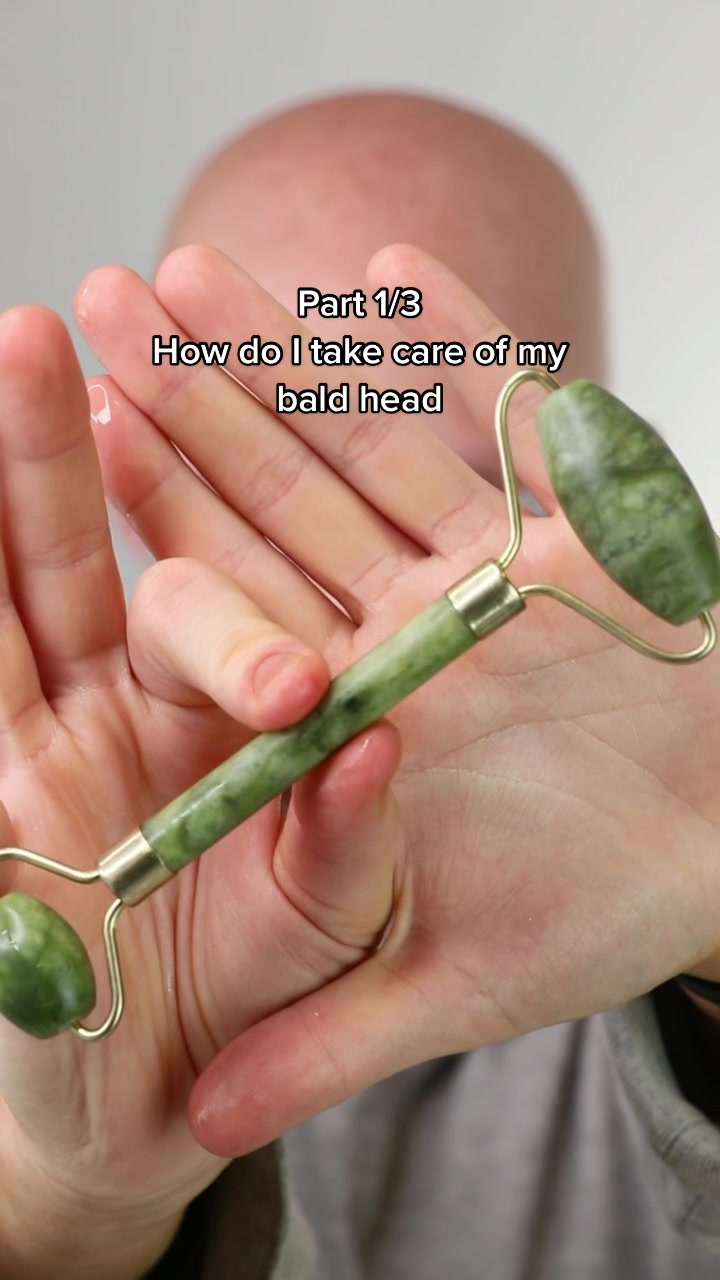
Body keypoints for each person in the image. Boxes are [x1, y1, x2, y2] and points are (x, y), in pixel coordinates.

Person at [1, 91, 720, 1278]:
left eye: (464, 489)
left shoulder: (668, 898)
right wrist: (66, 1225)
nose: (377, 612)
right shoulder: (47, 898)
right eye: (275, 454)